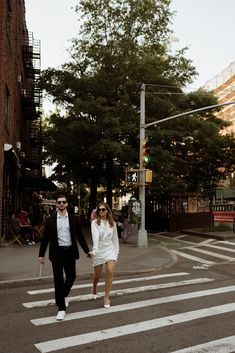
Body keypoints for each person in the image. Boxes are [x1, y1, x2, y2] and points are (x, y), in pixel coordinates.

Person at [38, 195, 91, 321]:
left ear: (67, 204)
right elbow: (45, 239)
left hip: (70, 252)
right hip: (56, 253)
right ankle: (61, 308)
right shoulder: (50, 220)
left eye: (63, 202)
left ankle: (63, 294)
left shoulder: (73, 219)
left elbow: (80, 236)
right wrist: (41, 254)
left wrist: (87, 251)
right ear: (56, 205)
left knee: (72, 276)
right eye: (59, 202)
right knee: (58, 279)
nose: (61, 204)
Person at [89, 202, 119, 309]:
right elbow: (95, 238)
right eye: (99, 210)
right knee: (97, 274)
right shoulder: (94, 223)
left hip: (110, 250)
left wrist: (116, 253)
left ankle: (106, 297)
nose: (101, 211)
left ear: (107, 211)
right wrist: (94, 250)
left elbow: (115, 240)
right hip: (99, 250)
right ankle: (94, 287)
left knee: (110, 271)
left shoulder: (113, 224)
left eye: (103, 209)